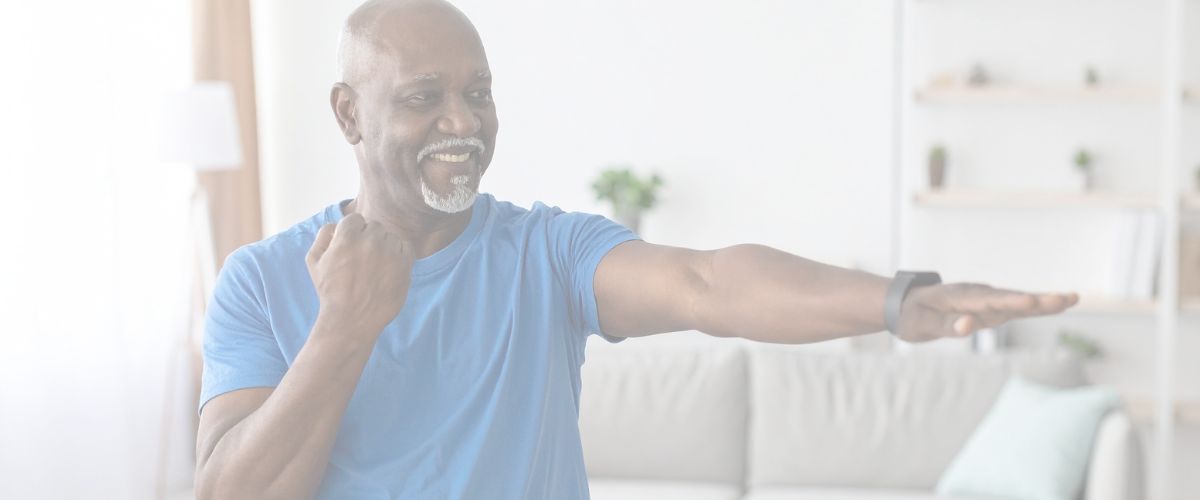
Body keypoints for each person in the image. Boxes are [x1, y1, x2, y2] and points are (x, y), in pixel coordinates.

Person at [193, 1, 1078, 499]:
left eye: (479, 93)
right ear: (349, 113)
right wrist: (343, 328)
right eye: (426, 96)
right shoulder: (261, 281)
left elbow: (707, 282)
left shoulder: (545, 253)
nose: (462, 122)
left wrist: (894, 301)